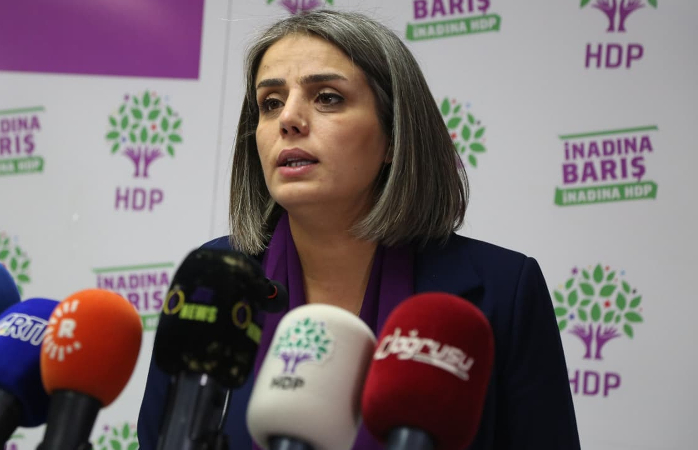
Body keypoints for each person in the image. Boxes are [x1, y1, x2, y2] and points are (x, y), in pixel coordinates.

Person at [138, 9, 580, 450]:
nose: (288, 118)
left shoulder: (504, 290)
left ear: (394, 136)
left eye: (327, 97)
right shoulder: (216, 284)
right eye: (270, 103)